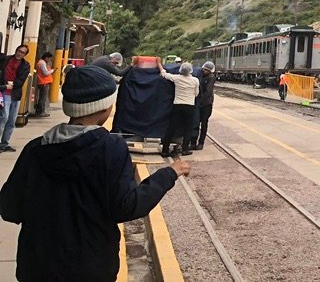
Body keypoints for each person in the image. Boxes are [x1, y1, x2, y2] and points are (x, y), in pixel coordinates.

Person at [0, 64, 188, 282]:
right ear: (105, 107)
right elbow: (126, 207)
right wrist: (169, 174)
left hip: (37, 267)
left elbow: (9, 208)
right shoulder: (111, 148)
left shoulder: (35, 149)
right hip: (90, 267)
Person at [159, 59, 200, 157]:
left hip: (177, 105)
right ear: (190, 70)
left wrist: (159, 64)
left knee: (172, 127)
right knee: (188, 128)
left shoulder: (176, 78)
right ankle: (185, 149)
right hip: (189, 106)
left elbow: (164, 74)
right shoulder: (195, 80)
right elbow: (196, 94)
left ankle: (165, 150)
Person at [0, 45, 32, 152]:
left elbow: (21, 80)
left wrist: (12, 85)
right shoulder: (5, 60)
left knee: (11, 120)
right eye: (19, 51)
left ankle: (4, 143)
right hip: (4, 92)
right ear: (16, 50)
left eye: (22, 52)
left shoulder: (25, 65)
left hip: (15, 94)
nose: (20, 54)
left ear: (25, 55)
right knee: (4, 117)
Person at [193, 61, 216, 150]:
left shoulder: (211, 78)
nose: (205, 71)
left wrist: (200, 101)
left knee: (204, 123)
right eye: (204, 69)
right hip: (199, 102)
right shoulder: (201, 75)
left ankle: (201, 142)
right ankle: (193, 141)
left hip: (206, 103)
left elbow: (208, 91)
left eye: (207, 70)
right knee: (196, 122)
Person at [34, 52, 54, 118]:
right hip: (44, 82)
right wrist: (52, 71)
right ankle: (41, 111)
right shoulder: (42, 63)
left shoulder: (41, 62)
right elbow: (45, 73)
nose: (49, 60)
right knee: (42, 98)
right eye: (49, 59)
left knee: (41, 97)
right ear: (46, 57)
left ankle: (40, 111)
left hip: (42, 82)